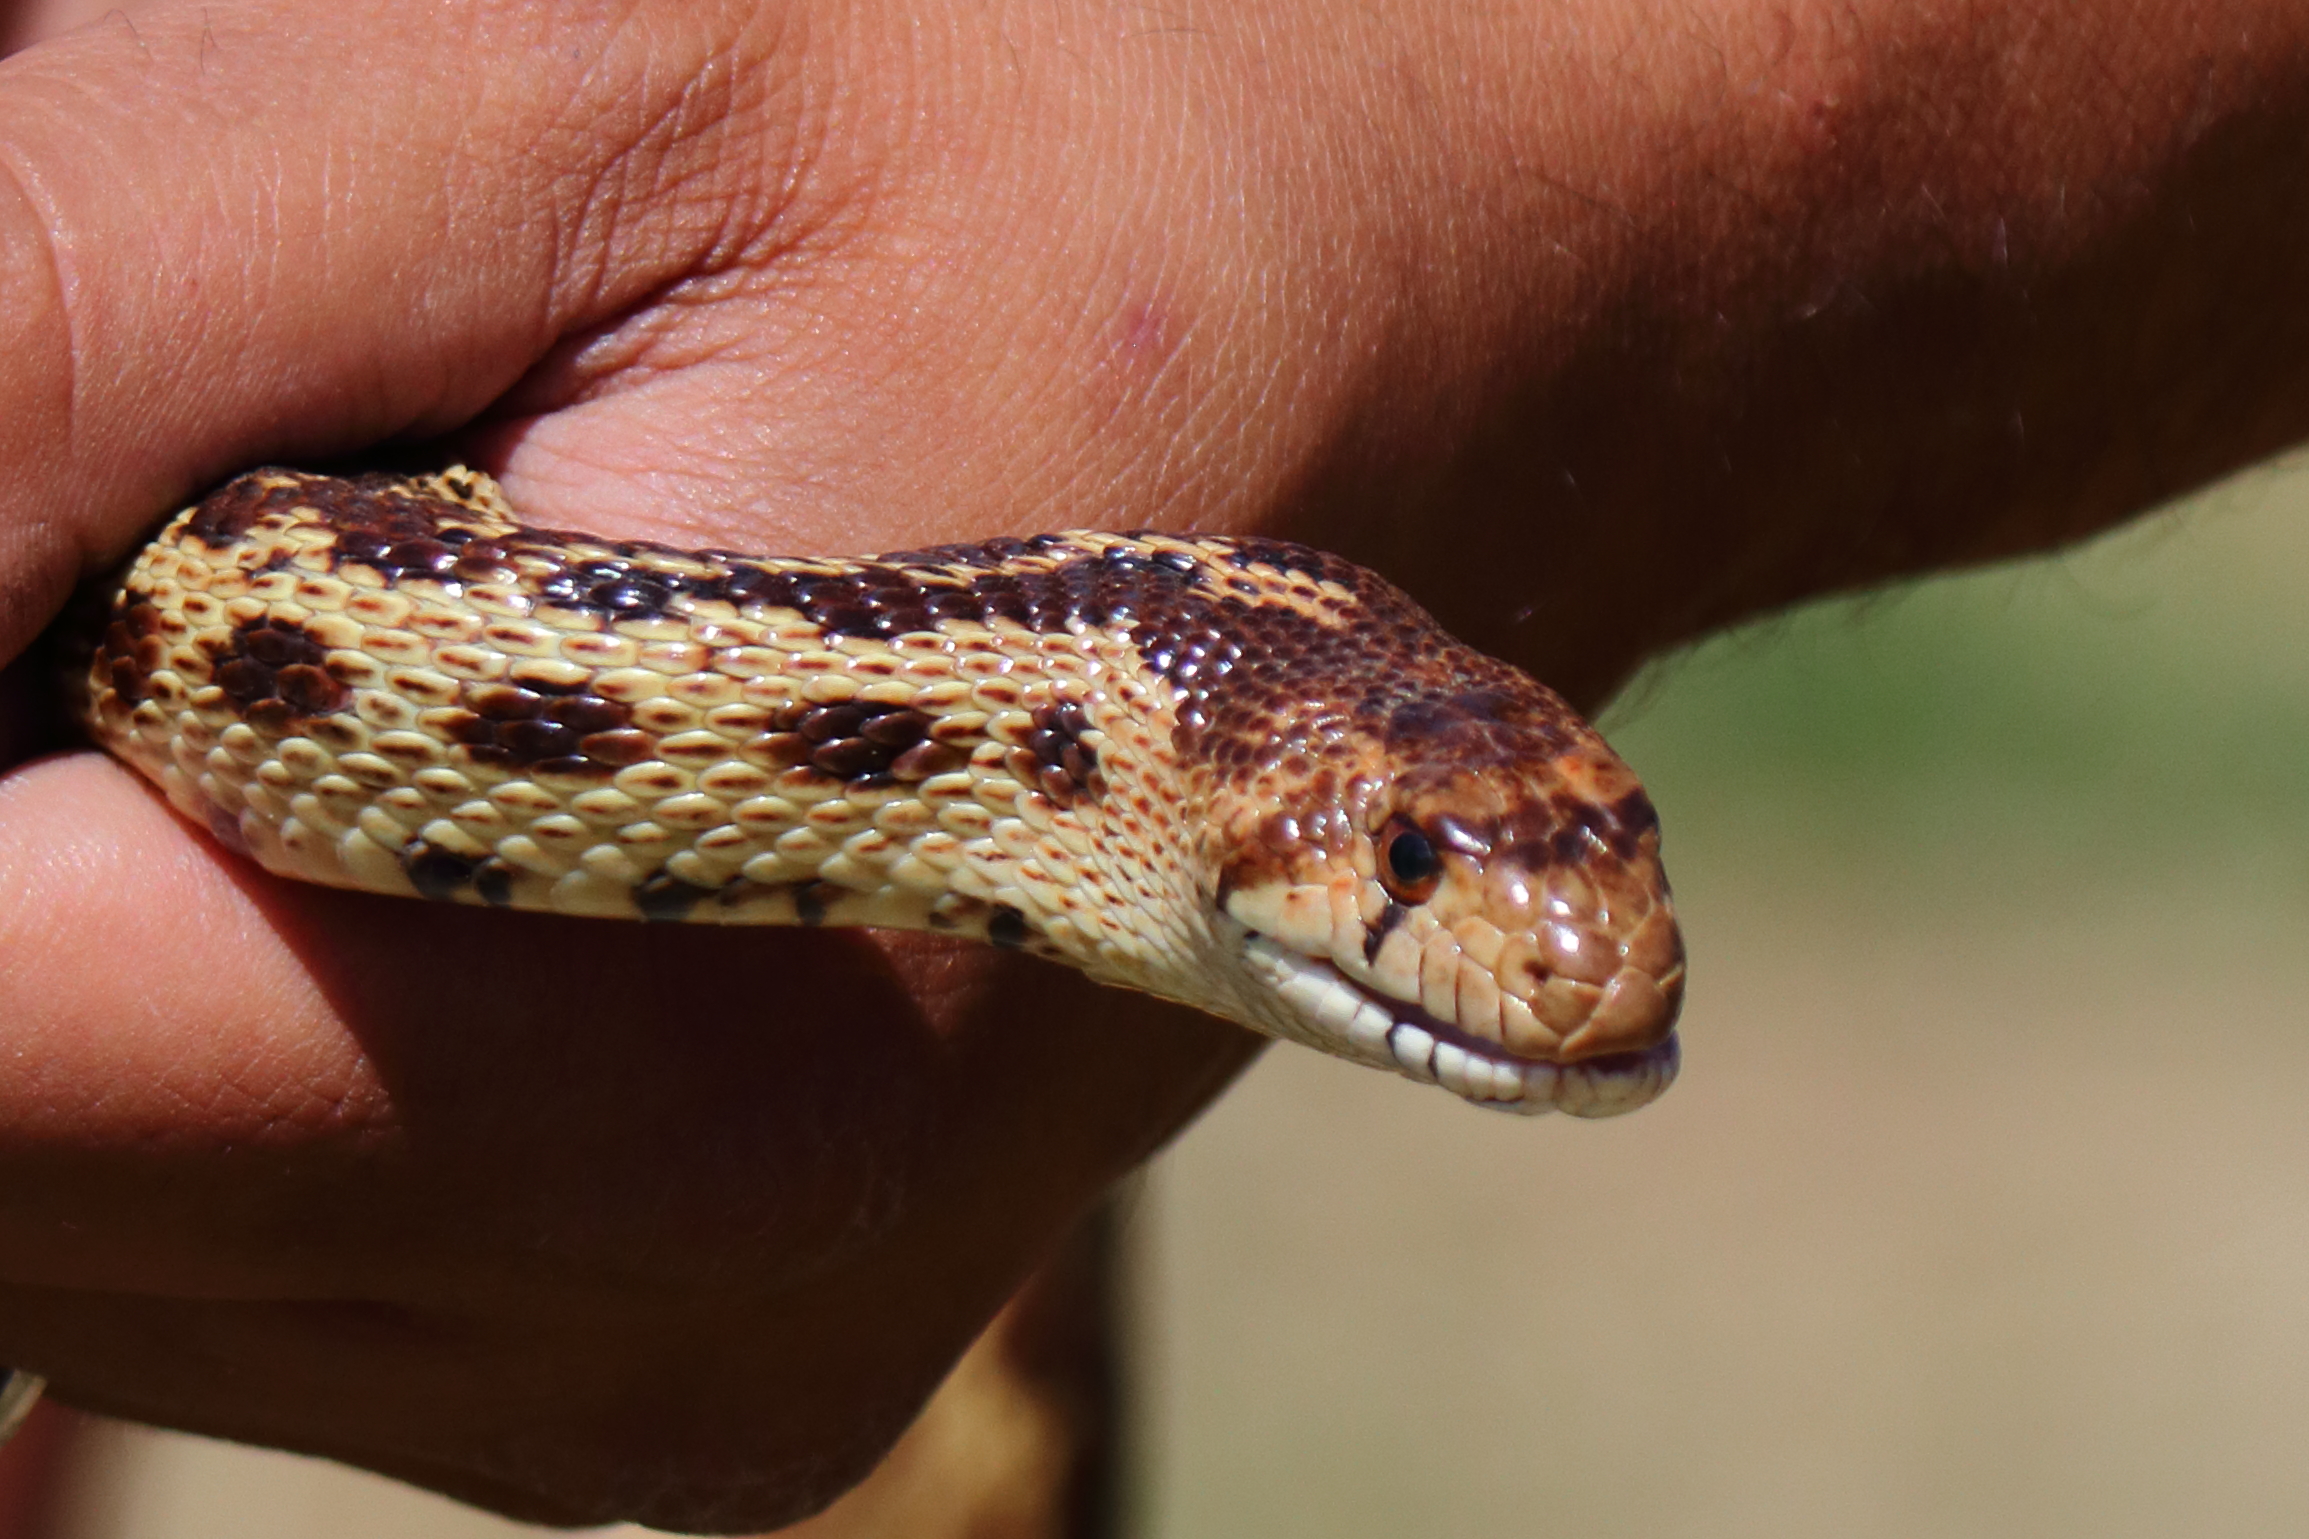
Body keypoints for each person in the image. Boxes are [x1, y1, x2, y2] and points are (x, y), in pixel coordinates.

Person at [1, 0, 2304, 1528]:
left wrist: (1581, 245)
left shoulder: (1102, 727)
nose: (1577, 955)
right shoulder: (1063, 706)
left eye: (1600, 842)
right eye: (1418, 858)